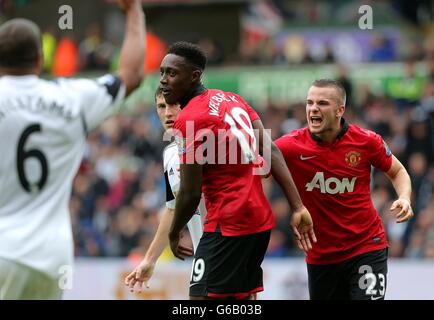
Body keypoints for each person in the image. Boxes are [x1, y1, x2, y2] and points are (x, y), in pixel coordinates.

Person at [0, 0, 145, 299]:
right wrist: (133, 11)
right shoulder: (71, 99)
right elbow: (131, 74)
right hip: (50, 258)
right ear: (40, 59)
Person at [160, 41, 316, 300]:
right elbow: (271, 151)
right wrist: (297, 206)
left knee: (199, 299)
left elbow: (189, 193)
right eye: (162, 72)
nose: (164, 80)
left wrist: (174, 232)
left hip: (228, 224)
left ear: (195, 76)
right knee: (242, 298)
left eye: (172, 73)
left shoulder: (190, 119)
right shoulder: (231, 98)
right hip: (258, 220)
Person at [274, 79, 414, 300]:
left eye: (322, 103)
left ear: (340, 110)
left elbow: (397, 172)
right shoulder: (288, 146)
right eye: (309, 103)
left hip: (366, 246)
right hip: (321, 256)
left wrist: (405, 197)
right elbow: (253, 168)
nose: (313, 109)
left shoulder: (366, 141)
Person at [124, 86, 206, 292]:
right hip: (204, 256)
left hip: (230, 248)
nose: (167, 112)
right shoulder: (170, 154)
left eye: (173, 104)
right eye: (161, 106)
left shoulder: (212, 145)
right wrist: (150, 260)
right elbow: (172, 209)